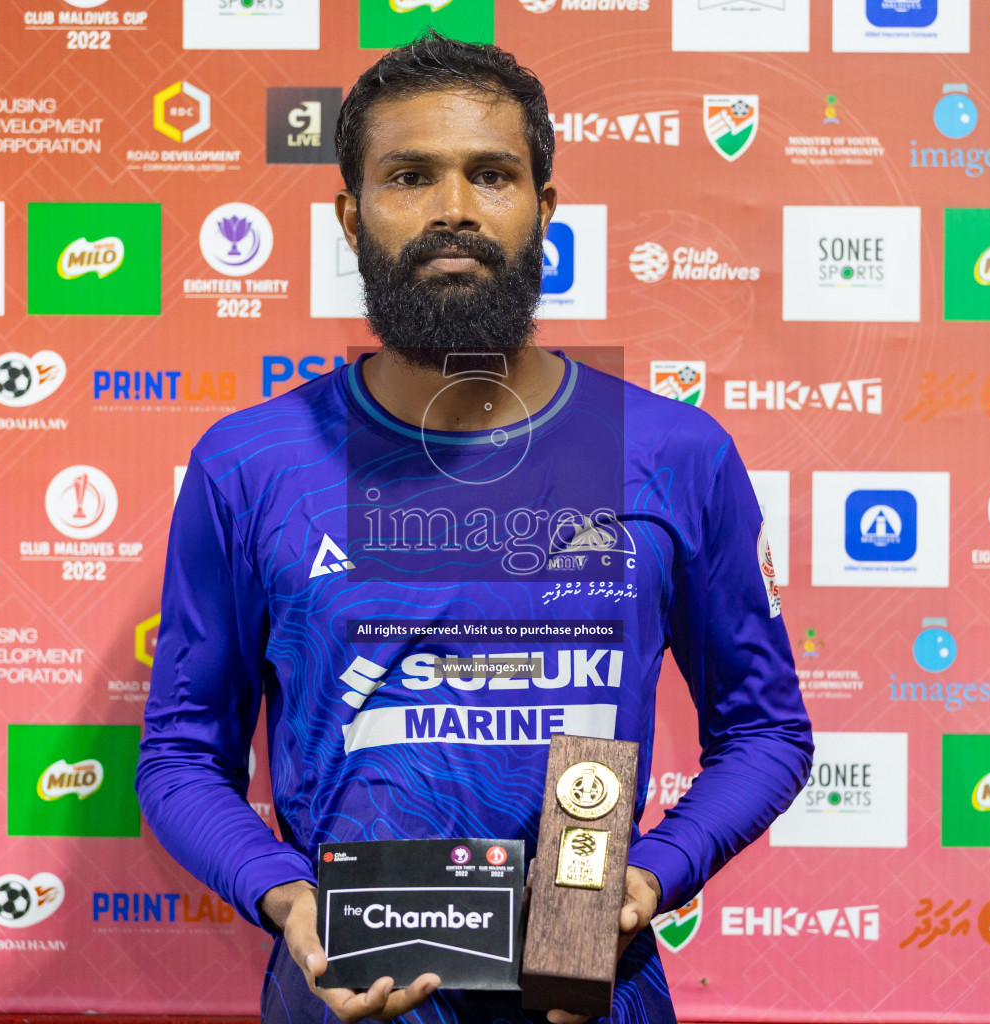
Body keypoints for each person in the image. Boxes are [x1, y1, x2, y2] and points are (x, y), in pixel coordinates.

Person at [137, 31, 813, 1024]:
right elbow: (180, 758)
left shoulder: (673, 452)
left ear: (543, 208)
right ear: (349, 214)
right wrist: (287, 899)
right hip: (344, 992)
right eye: (409, 175)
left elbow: (766, 732)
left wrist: (650, 876)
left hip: (591, 988)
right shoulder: (251, 463)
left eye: (490, 174)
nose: (453, 207)